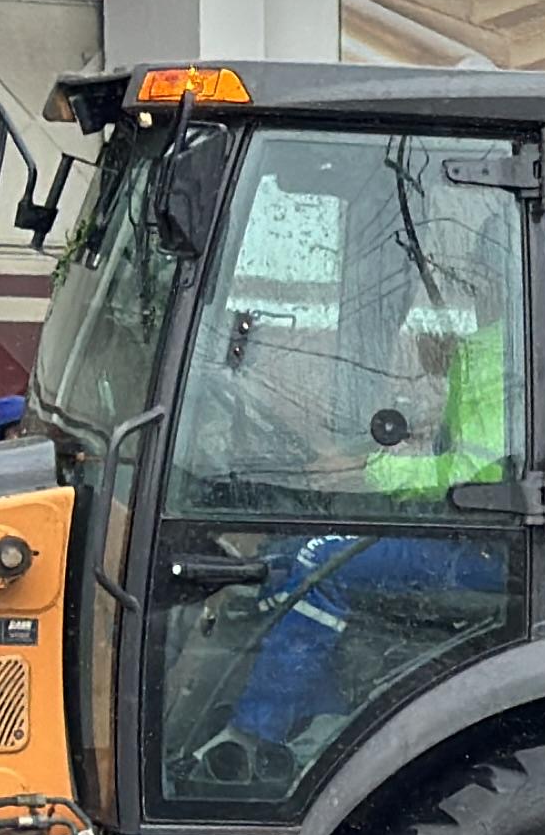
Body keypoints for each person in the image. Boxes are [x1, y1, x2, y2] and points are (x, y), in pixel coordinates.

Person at [205, 326, 512, 788]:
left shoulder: (503, 355)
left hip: (486, 551)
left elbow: (478, 475)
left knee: (318, 562)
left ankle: (251, 736)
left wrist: (370, 470)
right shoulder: (489, 346)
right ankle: (320, 720)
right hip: (469, 536)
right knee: (289, 555)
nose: (433, 328)